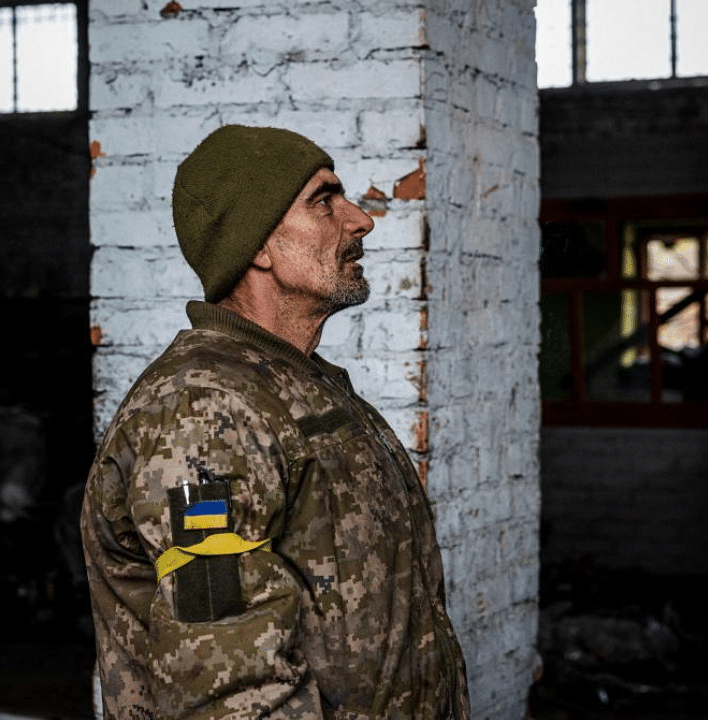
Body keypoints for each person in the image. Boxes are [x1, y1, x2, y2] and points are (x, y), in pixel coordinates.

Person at [66, 125, 469, 719]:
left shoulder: (298, 385)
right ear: (256, 246)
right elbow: (230, 686)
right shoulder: (204, 412)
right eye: (323, 201)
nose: (360, 220)